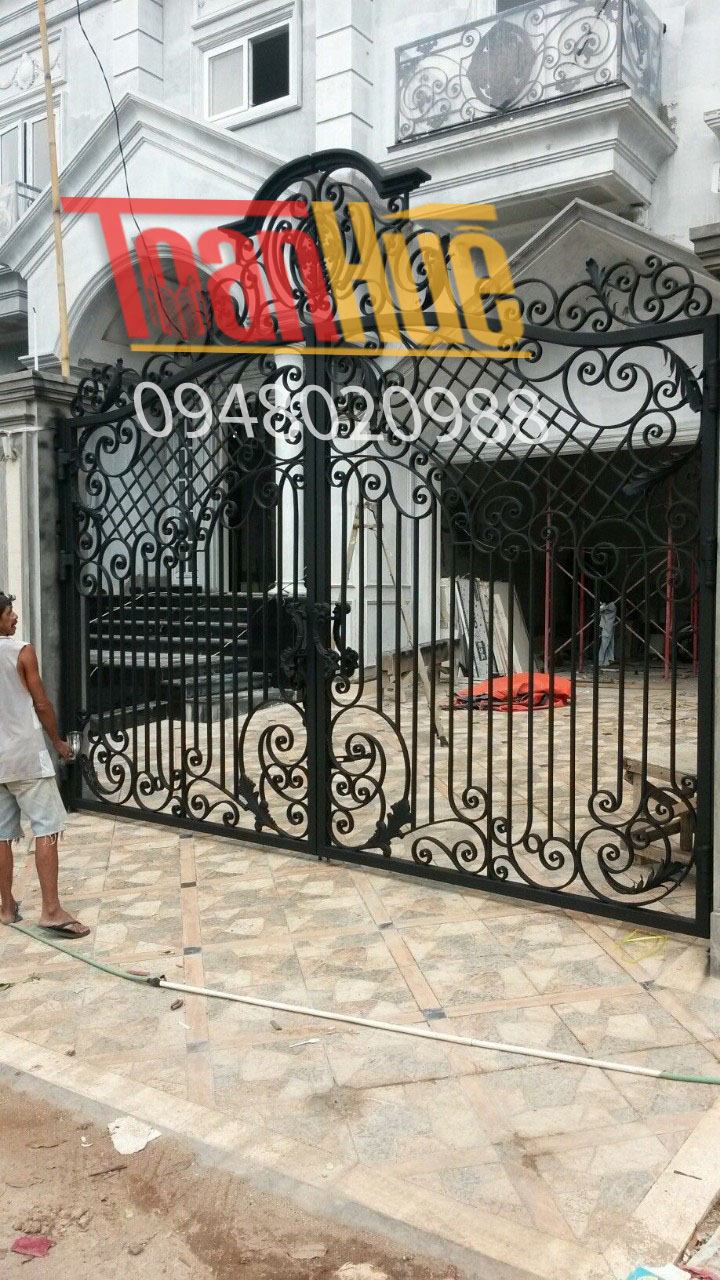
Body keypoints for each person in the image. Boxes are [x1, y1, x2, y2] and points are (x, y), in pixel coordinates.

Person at [0, 591, 89, 938]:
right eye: (9, 612)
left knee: (2, 834)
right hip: (25, 756)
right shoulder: (22, 651)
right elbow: (41, 703)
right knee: (47, 827)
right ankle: (51, 910)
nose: (15, 617)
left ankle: (6, 906)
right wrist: (57, 742)